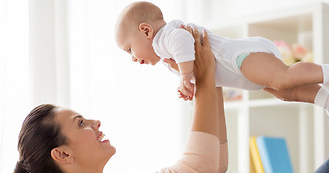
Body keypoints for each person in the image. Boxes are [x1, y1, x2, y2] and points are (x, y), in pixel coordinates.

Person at [5, 28, 229, 173]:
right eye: (80, 122)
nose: (95, 122)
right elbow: (198, 169)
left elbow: (213, 169)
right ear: (62, 154)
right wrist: (204, 75)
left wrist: (214, 80)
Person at [114, 1, 329, 115]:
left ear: (145, 31)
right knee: (286, 92)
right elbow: (204, 72)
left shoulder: (166, 36)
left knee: (284, 78)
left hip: (239, 58)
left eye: (129, 49)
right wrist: (191, 83)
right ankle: (325, 100)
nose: (133, 58)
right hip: (242, 73)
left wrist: (186, 75)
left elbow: (182, 40)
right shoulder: (167, 57)